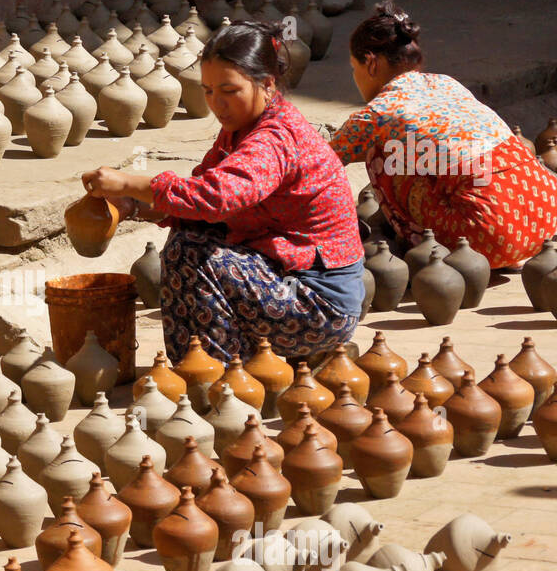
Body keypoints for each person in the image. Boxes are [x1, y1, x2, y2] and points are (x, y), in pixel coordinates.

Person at [80, 21, 364, 365]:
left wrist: (128, 183)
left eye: (230, 90)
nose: (218, 104)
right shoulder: (240, 130)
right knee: (192, 232)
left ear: (267, 84)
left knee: (189, 253)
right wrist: (132, 205)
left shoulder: (274, 138)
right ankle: (221, 368)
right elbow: (193, 199)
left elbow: (216, 199)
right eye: (209, 91)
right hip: (284, 279)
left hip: (319, 304)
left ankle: (220, 377)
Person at [330, 0, 557, 268]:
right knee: (439, 164)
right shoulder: (446, 82)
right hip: (543, 214)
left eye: (353, 67)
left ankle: (423, 243)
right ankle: (509, 249)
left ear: (371, 64)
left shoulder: (378, 112)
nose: (354, 76)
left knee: (380, 155)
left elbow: (323, 162)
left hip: (486, 234)